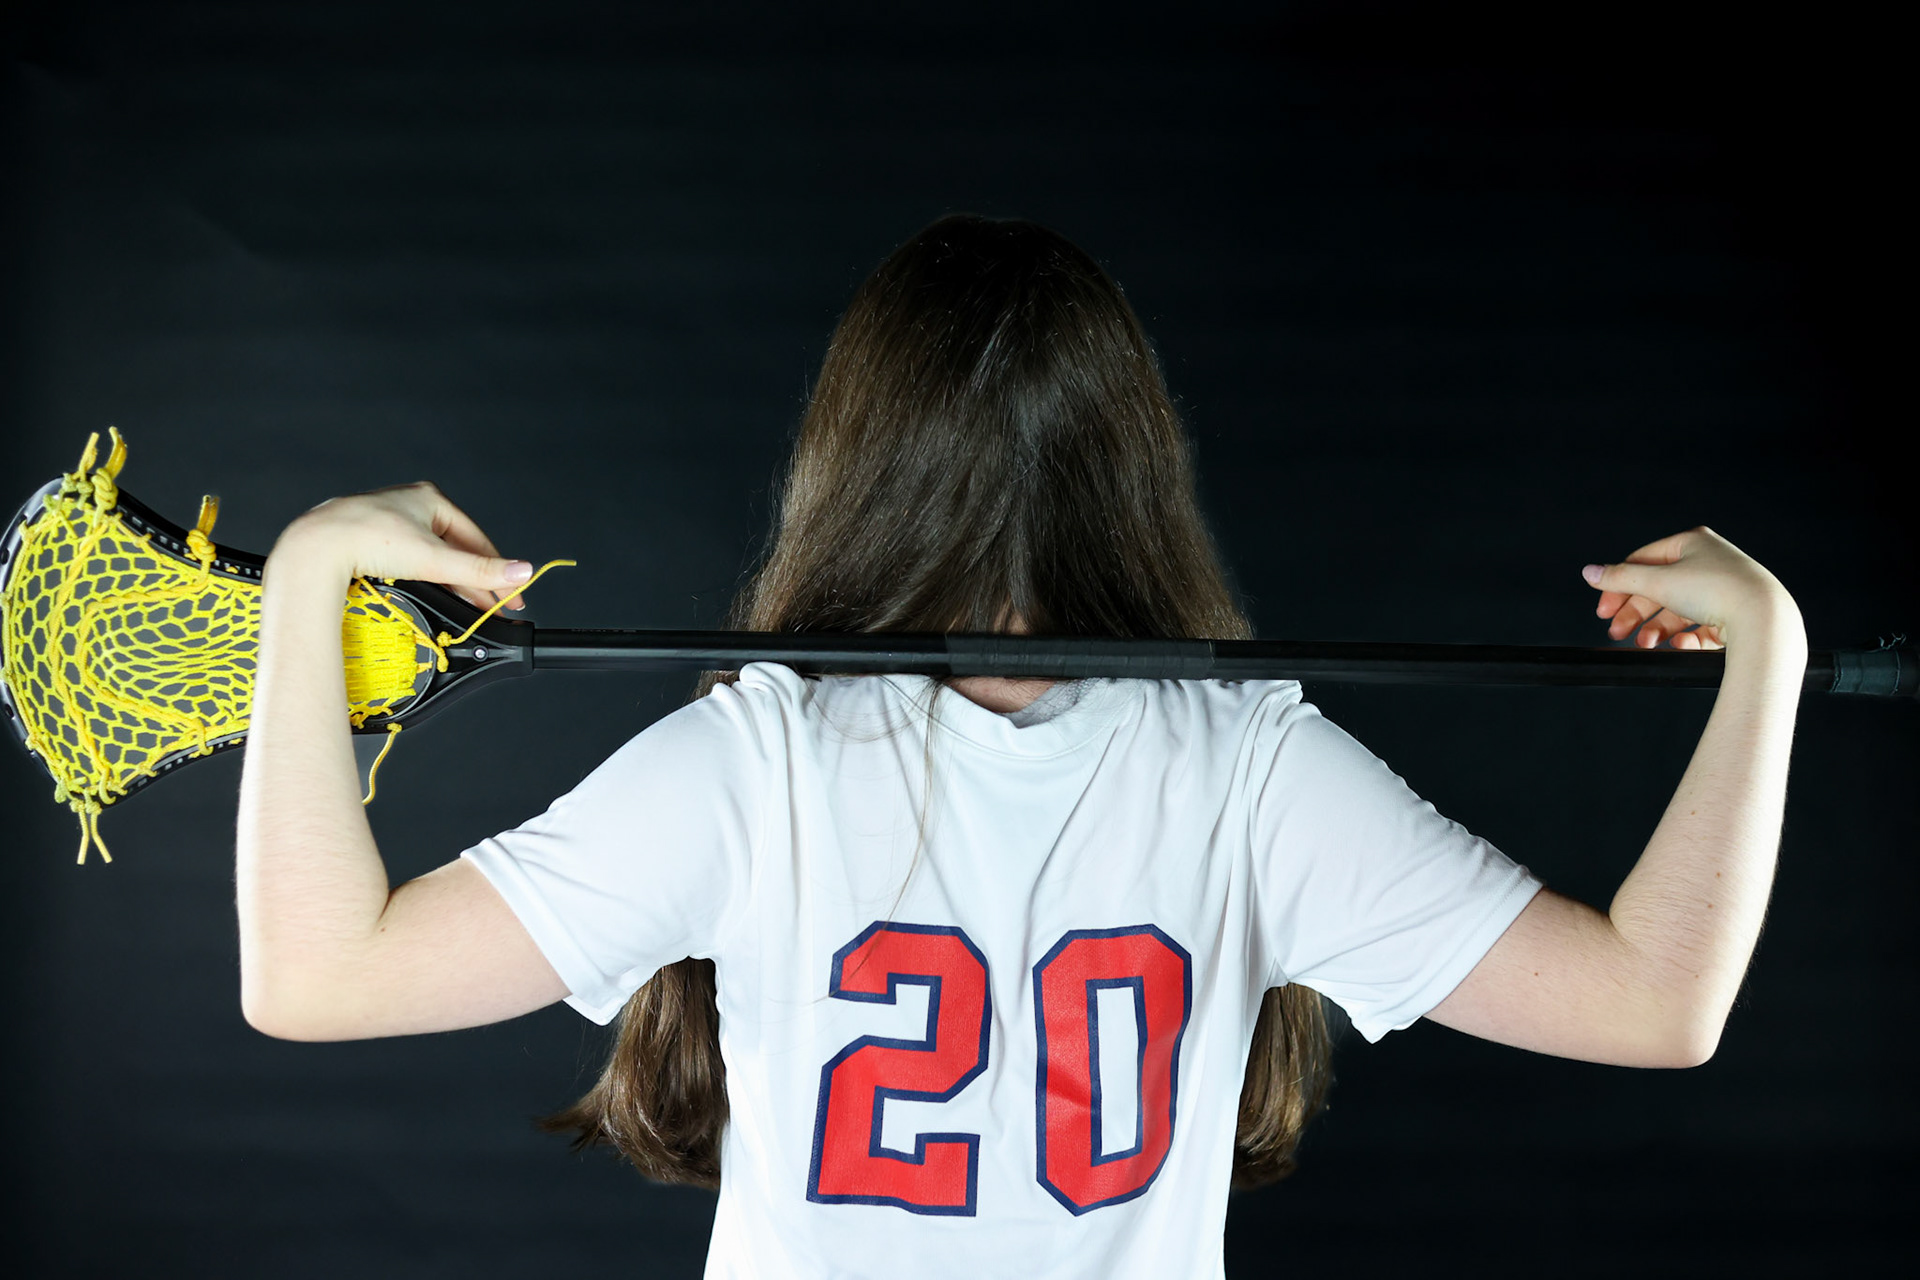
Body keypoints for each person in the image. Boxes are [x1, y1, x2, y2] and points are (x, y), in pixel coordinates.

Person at [235, 213, 1808, 1278]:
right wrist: (1771, 661)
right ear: (1131, 464)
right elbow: (1656, 1003)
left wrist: (308, 580)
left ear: (854, 464)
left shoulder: (754, 765)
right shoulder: (1248, 768)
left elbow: (315, 978)